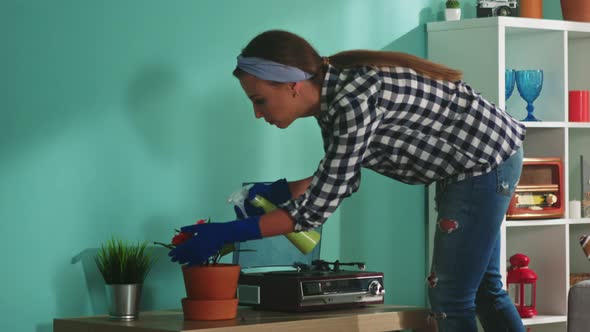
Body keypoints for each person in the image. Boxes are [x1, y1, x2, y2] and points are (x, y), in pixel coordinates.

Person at [169, 30, 526, 332]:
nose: (257, 112)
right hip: (478, 163)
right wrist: (279, 191)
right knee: (483, 290)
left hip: (482, 163)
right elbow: (342, 178)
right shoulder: (333, 101)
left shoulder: (353, 99)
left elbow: (314, 210)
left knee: (450, 296)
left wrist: (225, 233)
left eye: (259, 100)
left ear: (292, 84)